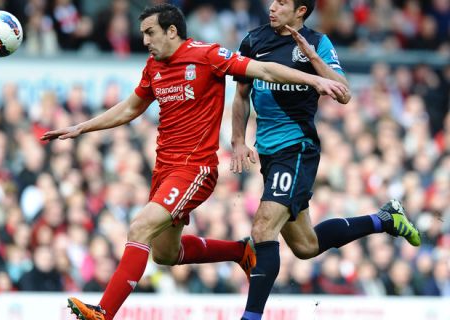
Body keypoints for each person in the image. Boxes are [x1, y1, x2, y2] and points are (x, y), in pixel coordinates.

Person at [41, 4, 347, 320]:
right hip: (163, 169)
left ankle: (104, 311)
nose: (145, 41)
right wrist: (81, 127)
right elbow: (130, 108)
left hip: (194, 169)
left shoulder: (208, 56)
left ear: (171, 31)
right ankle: (240, 252)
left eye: (150, 33)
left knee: (140, 227)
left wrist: (315, 81)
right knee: (165, 254)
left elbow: (264, 70)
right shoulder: (153, 66)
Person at [230, 1, 422, 319]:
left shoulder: (318, 42)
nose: (273, 7)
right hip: (268, 153)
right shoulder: (253, 40)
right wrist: (238, 139)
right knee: (305, 246)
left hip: (297, 149)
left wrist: (313, 57)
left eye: (282, 2)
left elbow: (344, 94)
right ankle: (385, 220)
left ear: (301, 10)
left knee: (263, 229)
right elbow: (240, 95)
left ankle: (251, 317)